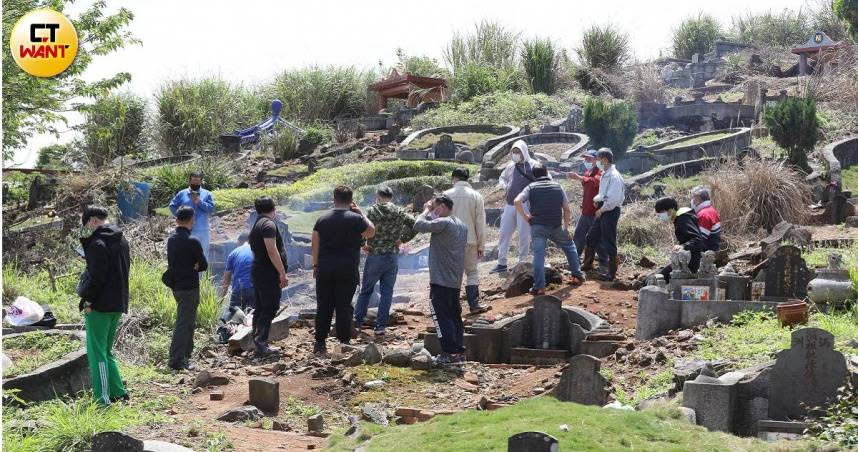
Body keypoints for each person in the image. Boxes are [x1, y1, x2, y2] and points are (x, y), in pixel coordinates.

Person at [312, 186, 375, 355]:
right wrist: (361, 212)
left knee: (324, 305)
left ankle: (319, 343)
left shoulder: (322, 219)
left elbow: (315, 244)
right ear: (350, 200)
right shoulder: (356, 219)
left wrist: (316, 265)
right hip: (347, 268)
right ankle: (344, 342)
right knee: (343, 305)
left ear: (334, 199)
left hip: (325, 268)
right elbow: (371, 232)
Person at [78, 205, 130, 405]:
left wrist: (88, 301)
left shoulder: (97, 243)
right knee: (107, 351)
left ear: (92, 220)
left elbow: (97, 277)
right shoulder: (121, 239)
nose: (88, 230)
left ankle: (102, 398)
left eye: (87, 225)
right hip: (118, 302)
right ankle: (118, 391)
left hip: (99, 305)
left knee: (97, 352)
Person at [353, 186, 416, 338]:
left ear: (378, 196)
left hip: (375, 254)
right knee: (387, 293)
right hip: (392, 256)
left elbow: (363, 227)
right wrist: (402, 239)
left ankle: (357, 323)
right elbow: (414, 224)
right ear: (391, 197)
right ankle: (380, 327)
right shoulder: (399, 211)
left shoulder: (373, 211)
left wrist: (363, 245)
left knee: (366, 290)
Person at [515, 163, 586, 295]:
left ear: (533, 175)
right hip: (555, 226)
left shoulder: (531, 187)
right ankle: (576, 275)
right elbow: (567, 208)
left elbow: (517, 201)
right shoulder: (557, 186)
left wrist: (526, 217)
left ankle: (539, 287)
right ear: (546, 172)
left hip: (538, 226)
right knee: (570, 248)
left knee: (539, 256)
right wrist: (566, 226)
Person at [413, 195, 468, 365]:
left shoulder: (444, 222)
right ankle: (458, 352)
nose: (433, 210)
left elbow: (418, 225)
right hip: (454, 279)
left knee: (441, 316)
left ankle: (448, 353)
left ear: (442, 207)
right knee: (454, 316)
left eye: (436, 207)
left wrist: (426, 210)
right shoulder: (462, 225)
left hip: (440, 279)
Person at [165, 206, 208, 371]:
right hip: (190, 286)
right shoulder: (193, 241)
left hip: (176, 286)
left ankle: (186, 356)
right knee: (184, 323)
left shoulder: (171, 240)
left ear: (177, 220)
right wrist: (195, 265)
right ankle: (176, 360)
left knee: (187, 321)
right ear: (192, 220)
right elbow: (203, 265)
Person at [492, 140, 544, 273]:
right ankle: (502, 262)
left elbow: (545, 179)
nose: (515, 154)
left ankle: (523, 262)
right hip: (509, 204)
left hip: (525, 205)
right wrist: (504, 186)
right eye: (513, 152)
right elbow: (502, 178)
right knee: (504, 233)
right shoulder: (510, 166)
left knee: (524, 234)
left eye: (517, 152)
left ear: (524, 152)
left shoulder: (534, 165)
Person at [443, 167, 488, 314]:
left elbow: (440, 220)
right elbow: (480, 223)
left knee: (452, 275)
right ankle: (474, 304)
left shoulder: (446, 195)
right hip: (470, 240)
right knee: (472, 272)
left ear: (454, 178)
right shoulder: (476, 196)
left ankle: (451, 307)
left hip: (450, 241)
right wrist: (481, 245)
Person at [248, 196, 289, 356]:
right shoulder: (268, 225)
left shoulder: (257, 224)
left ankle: (257, 341)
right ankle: (261, 343)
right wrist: (282, 273)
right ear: (273, 208)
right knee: (270, 307)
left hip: (259, 270)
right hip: (267, 273)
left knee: (261, 307)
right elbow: (272, 250)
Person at [582, 148, 625, 281]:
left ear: (605, 160)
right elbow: (604, 194)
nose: (597, 162)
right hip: (604, 209)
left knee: (609, 241)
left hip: (610, 211)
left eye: (599, 159)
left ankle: (611, 273)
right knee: (591, 237)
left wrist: (602, 208)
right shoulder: (606, 173)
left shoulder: (614, 176)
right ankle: (587, 265)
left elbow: (614, 199)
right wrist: (597, 201)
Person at [569, 150, 606, 270]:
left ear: (596, 160)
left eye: (589, 159)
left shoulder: (600, 172)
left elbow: (595, 182)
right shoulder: (588, 172)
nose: (587, 161)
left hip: (595, 212)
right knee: (578, 236)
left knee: (597, 238)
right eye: (585, 159)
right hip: (586, 211)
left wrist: (579, 178)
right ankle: (574, 260)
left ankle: (603, 263)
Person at [654, 197, 705, 283]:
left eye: (661, 213)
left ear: (670, 211)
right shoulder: (682, 218)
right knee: (659, 273)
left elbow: (697, 239)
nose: (660, 216)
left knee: (658, 278)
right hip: (686, 259)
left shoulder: (683, 219)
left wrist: (683, 246)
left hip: (690, 263)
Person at [169, 171, 215, 261]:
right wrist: (180, 217)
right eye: (194, 181)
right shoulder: (182, 194)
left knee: (203, 255)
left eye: (198, 181)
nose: (195, 183)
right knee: (186, 254)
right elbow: (172, 206)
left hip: (202, 230)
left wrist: (200, 202)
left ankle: (201, 275)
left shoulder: (207, 194)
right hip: (186, 230)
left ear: (201, 182)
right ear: (189, 181)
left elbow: (211, 209)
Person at [220, 232, 255, 311]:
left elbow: (226, 280)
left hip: (238, 290)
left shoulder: (233, 254)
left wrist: (221, 299)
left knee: (234, 319)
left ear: (239, 241)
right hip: (254, 289)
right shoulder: (257, 251)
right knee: (254, 318)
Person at [690, 186, 722, 252]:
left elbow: (699, 240)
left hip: (708, 252)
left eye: (693, 198)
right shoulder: (711, 209)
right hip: (714, 248)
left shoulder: (703, 215)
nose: (692, 201)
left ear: (698, 198)